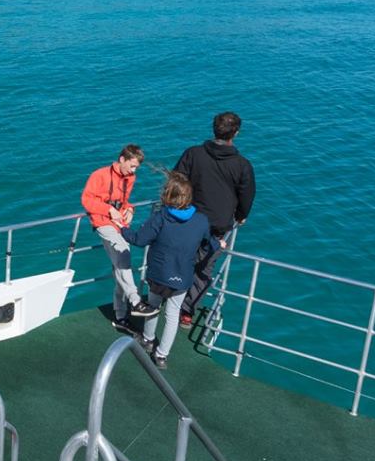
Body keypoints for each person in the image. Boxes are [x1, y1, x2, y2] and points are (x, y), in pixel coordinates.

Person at [121, 170, 214, 363]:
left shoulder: (160, 217)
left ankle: (147, 339)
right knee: (173, 315)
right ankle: (162, 355)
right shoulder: (201, 220)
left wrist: (122, 229)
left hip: (158, 274)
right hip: (182, 277)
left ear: (167, 195)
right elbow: (209, 243)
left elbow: (139, 239)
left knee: (153, 306)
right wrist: (217, 244)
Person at [174, 112, 255, 314]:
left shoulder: (193, 153)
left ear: (213, 129)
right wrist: (241, 215)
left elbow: (177, 181)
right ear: (236, 133)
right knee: (204, 268)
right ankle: (186, 311)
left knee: (180, 258)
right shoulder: (242, 165)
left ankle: (169, 298)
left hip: (189, 219)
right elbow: (247, 194)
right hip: (218, 224)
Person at [82, 144, 157, 330]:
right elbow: (86, 200)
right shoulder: (99, 175)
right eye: (132, 166)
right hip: (102, 222)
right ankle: (135, 300)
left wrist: (129, 209)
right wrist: (108, 210)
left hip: (118, 223)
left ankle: (120, 316)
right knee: (124, 254)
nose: (133, 171)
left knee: (120, 268)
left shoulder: (130, 177)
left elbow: (123, 201)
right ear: (122, 159)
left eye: (136, 168)